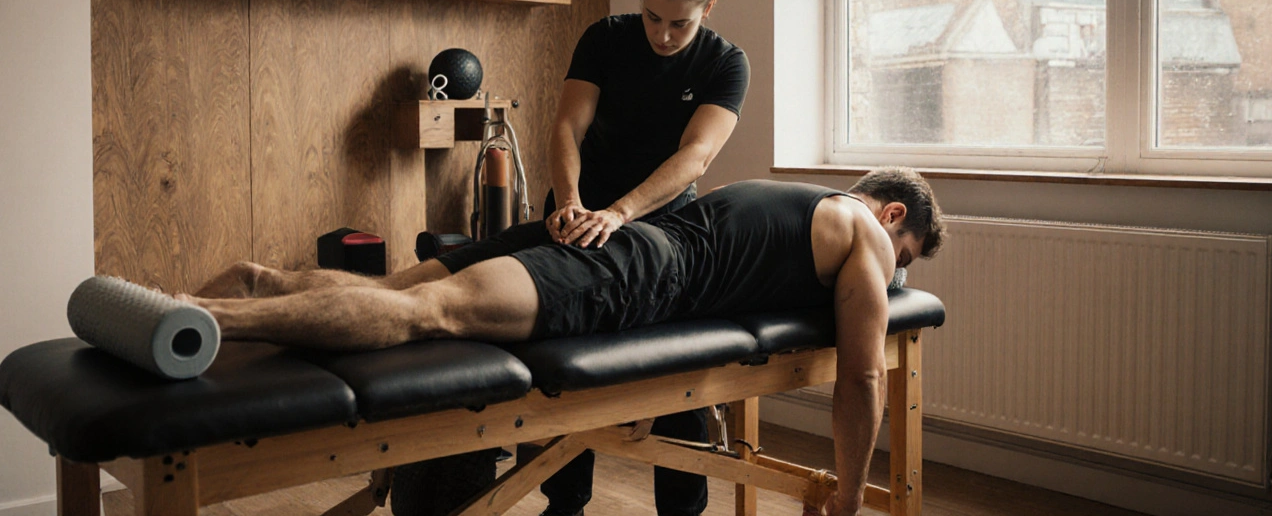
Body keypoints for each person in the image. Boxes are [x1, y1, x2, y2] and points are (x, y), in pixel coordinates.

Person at [189, 168, 946, 516]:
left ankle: (253, 284)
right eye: (906, 257)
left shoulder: (791, 197)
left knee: (404, 292)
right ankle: (209, 320)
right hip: (632, 276)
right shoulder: (864, 237)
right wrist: (847, 496)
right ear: (890, 215)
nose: (895, 281)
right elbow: (862, 376)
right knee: (433, 312)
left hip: (629, 254)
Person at [536, 0, 748, 516]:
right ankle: (565, 502)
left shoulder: (727, 62)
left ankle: (682, 511)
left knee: (676, 371)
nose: (662, 34)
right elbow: (566, 127)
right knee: (569, 358)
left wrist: (621, 213)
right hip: (580, 214)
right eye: (652, 17)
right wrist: (571, 201)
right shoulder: (606, 37)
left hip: (667, 229)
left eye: (679, 24)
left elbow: (696, 157)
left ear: (707, 9)